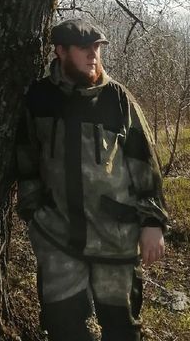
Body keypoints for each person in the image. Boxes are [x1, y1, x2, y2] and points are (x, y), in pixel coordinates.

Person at [15, 17, 170, 341]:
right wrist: (34, 213)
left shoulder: (116, 99)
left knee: (122, 328)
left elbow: (144, 162)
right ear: (60, 51)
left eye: (97, 48)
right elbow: (26, 159)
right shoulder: (39, 98)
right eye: (84, 49)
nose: (93, 56)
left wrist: (152, 222)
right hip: (58, 238)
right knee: (63, 327)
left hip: (115, 237)